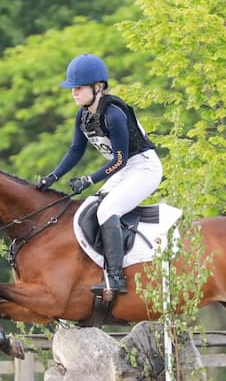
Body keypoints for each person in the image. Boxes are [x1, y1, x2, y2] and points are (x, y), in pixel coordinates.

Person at [36, 53, 163, 295]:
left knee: (107, 210)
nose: (74, 92)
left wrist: (88, 180)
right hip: (126, 168)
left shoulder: (113, 114)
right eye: (73, 88)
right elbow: (76, 150)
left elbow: (119, 160)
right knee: (90, 208)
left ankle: (116, 278)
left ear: (98, 87)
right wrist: (52, 177)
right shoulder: (83, 115)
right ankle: (99, 268)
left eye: (79, 87)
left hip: (144, 168)